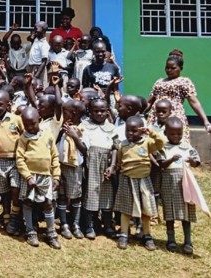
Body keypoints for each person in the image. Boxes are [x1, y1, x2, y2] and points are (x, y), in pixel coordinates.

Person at [113, 116, 166, 251]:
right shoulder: (122, 145)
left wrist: (151, 132)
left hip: (143, 180)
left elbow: (161, 142)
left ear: (142, 131)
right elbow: (120, 161)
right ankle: (124, 235)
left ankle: (147, 235)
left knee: (146, 210)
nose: (130, 134)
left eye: (134, 131)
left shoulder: (147, 143)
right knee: (126, 210)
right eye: (128, 131)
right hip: (127, 180)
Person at [16, 106, 61, 249]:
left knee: (48, 203)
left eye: (33, 123)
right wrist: (28, 176)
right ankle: (30, 231)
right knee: (28, 203)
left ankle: (51, 233)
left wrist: (56, 176)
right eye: (26, 124)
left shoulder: (47, 135)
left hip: (45, 176)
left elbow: (54, 156)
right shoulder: (23, 138)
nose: (29, 127)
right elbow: (20, 159)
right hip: (29, 176)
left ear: (39, 120)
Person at [158, 116, 202, 255]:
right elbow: (161, 164)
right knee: (169, 212)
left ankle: (188, 241)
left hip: (184, 183)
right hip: (168, 183)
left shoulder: (186, 146)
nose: (176, 136)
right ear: (165, 133)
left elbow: (197, 161)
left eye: (179, 133)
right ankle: (171, 240)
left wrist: (192, 161)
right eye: (172, 134)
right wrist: (171, 159)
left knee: (186, 212)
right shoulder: (163, 147)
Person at [146, 54, 211, 141]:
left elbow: (194, 102)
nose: (169, 70)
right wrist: (139, 113)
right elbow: (150, 101)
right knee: (153, 141)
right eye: (167, 67)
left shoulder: (184, 82)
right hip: (156, 116)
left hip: (174, 116)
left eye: (173, 68)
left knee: (174, 141)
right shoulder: (159, 82)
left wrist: (205, 121)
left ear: (180, 68)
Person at [79, 98, 118, 240]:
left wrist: (112, 166)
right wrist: (76, 138)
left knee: (107, 194)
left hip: (107, 163)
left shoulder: (111, 127)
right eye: (96, 111)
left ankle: (107, 224)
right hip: (92, 162)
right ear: (90, 112)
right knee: (91, 193)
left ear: (107, 111)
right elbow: (83, 148)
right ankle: (89, 225)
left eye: (103, 111)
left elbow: (115, 148)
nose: (99, 114)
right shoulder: (84, 126)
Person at [0, 90, 24, 235]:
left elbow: (24, 137)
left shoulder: (16, 119)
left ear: (8, 105)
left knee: (15, 187)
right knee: (4, 192)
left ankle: (15, 216)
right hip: (0, 160)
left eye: (0, 104)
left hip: (15, 159)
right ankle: (7, 216)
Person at [56, 99, 87, 239]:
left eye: (65, 112)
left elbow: (85, 150)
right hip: (60, 164)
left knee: (75, 196)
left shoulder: (83, 128)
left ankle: (75, 224)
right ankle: (64, 224)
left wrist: (75, 137)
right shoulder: (64, 126)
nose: (63, 114)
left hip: (74, 167)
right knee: (61, 195)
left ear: (73, 113)